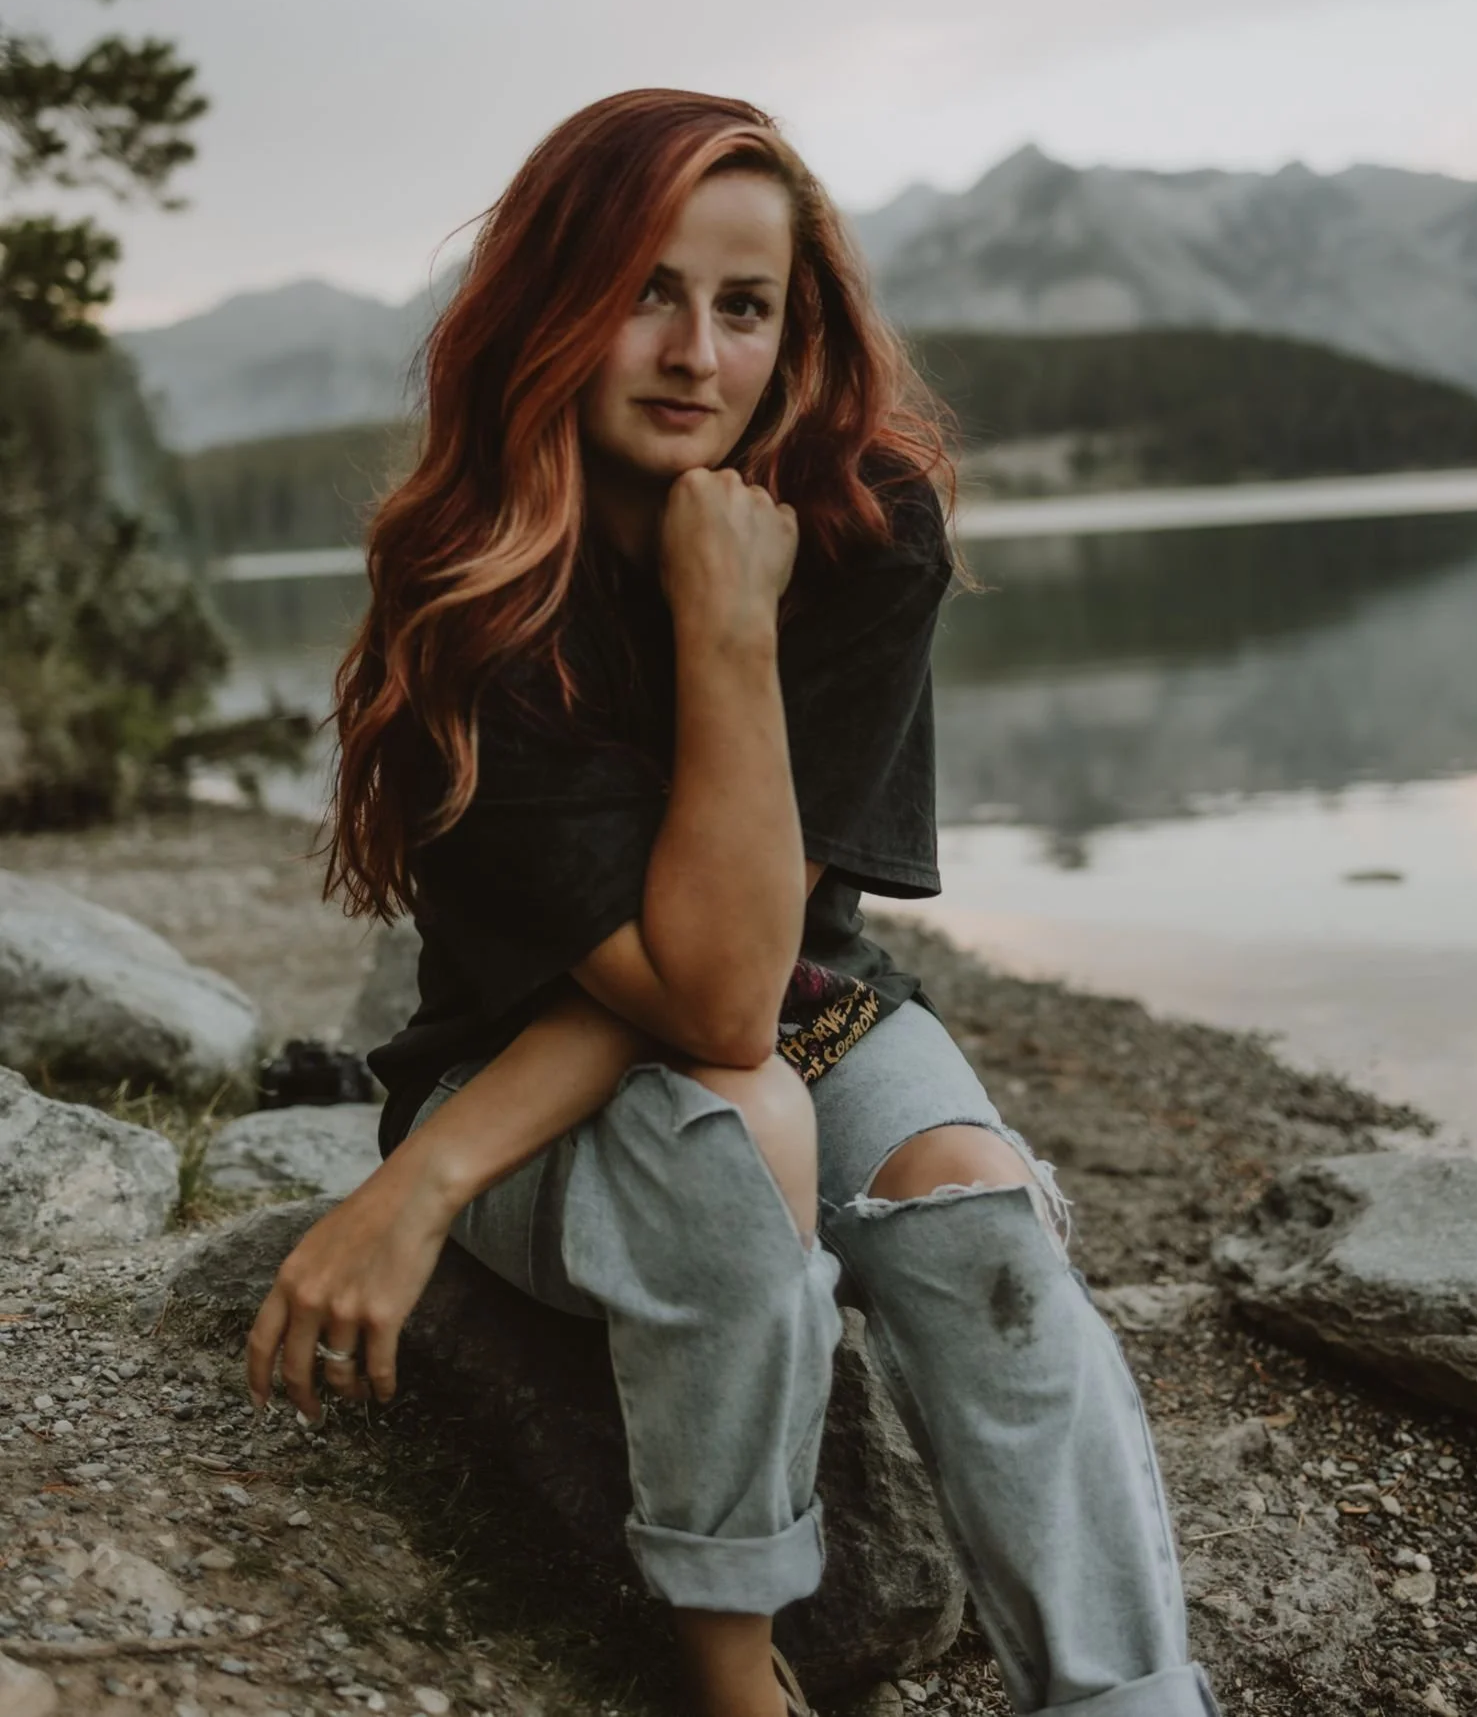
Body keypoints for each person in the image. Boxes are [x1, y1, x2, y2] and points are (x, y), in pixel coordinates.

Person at [246, 89, 1220, 1717]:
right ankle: (731, 1677)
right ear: (558, 300)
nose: (698, 349)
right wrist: (429, 1172)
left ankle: (1129, 1699)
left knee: (975, 1211)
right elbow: (700, 1004)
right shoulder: (474, 594)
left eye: (745, 305)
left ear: (794, 328)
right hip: (529, 1081)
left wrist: (745, 608)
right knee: (734, 1127)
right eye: (648, 289)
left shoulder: (863, 519)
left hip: (793, 1010)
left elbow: (765, 968)